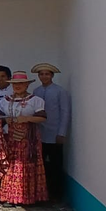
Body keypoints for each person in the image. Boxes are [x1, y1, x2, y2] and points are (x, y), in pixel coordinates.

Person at [0, 71, 49, 206]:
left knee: (26, 165)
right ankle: (10, 196)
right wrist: (4, 119)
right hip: (11, 137)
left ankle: (29, 196)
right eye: (15, 84)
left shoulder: (36, 101)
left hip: (28, 139)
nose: (18, 86)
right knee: (11, 164)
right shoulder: (5, 100)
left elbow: (42, 117)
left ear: (26, 85)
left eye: (21, 84)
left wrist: (27, 118)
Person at [31, 63, 71, 201]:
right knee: (41, 164)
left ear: (52, 76)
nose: (44, 76)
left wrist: (62, 132)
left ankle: (57, 194)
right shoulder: (36, 92)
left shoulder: (60, 91)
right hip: (40, 133)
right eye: (41, 74)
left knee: (56, 164)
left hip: (55, 133)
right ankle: (42, 192)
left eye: (47, 74)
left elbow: (65, 112)